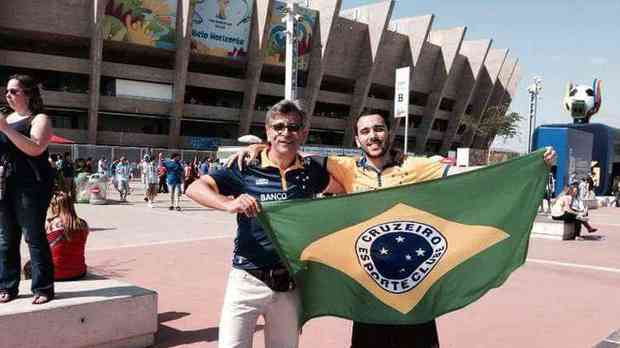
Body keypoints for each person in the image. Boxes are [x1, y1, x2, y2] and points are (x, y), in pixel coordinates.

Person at [235, 112, 557, 348]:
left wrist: (529, 165)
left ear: (388, 132)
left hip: (415, 287)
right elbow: (289, 151)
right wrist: (259, 148)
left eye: (378, 129)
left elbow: (466, 175)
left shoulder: (416, 166)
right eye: (365, 131)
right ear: (357, 139)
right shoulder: (343, 168)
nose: (372, 136)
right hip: (368, 285)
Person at [186, 100, 330, 348]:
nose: (286, 132)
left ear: (304, 133)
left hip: (290, 283)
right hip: (247, 278)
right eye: (279, 126)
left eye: (294, 127)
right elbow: (195, 188)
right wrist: (227, 203)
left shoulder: (312, 171)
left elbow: (354, 178)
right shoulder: (245, 165)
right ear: (268, 130)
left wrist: (392, 155)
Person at [0, 74, 55, 304]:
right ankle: (7, 286)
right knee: (5, 237)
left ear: (29, 93)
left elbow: (35, 148)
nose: (8, 95)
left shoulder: (39, 118)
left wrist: (5, 128)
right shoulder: (6, 118)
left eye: (14, 91)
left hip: (32, 184)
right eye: (7, 91)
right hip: (6, 183)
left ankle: (43, 287)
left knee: (33, 235)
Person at [24, 191, 88, 281]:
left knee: (29, 265)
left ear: (54, 207)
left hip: (52, 273)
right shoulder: (83, 224)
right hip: (79, 273)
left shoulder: (49, 224)